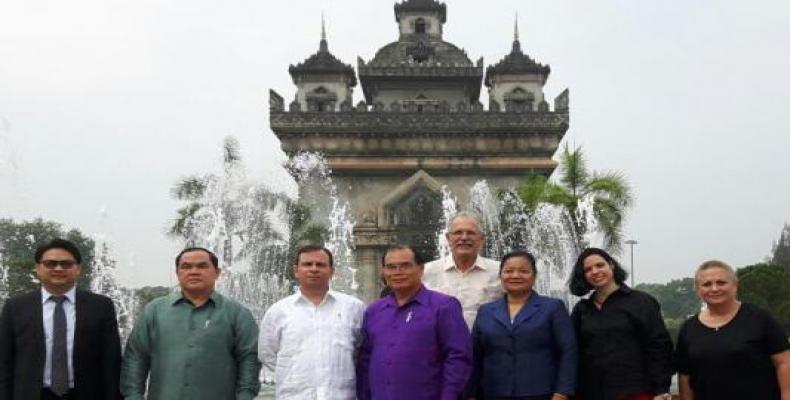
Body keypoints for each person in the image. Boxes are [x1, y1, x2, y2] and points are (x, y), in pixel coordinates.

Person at [120, 247, 261, 400]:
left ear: (217, 273)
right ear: (177, 273)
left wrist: (245, 395)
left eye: (202, 266)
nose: (194, 271)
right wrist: (133, 396)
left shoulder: (237, 314)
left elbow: (250, 359)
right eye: (186, 267)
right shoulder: (154, 311)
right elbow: (135, 358)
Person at [0, 238, 122, 400]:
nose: (58, 268)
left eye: (66, 264)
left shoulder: (100, 306)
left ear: (78, 269)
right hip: (31, 394)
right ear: (37, 268)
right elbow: (4, 363)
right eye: (50, 263)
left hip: (85, 394)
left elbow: (111, 362)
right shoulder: (16, 307)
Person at [357, 245, 472, 400]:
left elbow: (458, 358)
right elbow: (365, 361)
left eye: (405, 266)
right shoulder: (374, 311)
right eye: (391, 267)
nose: (397, 272)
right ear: (384, 272)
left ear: (421, 269)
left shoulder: (444, 306)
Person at [259, 245, 365, 400]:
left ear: (332, 271)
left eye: (321, 265)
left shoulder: (354, 308)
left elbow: (361, 351)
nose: (314, 269)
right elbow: (267, 355)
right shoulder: (278, 311)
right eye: (307, 264)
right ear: (296, 270)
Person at [468, 250, 577, 400]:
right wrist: (471, 394)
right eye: (508, 271)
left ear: (534, 276)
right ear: (501, 276)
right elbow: (475, 355)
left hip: (541, 393)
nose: (515, 275)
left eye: (523, 271)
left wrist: (562, 392)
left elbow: (568, 351)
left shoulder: (552, 307)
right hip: (493, 392)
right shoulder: (486, 311)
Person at [675, 260, 790, 400]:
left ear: (735, 285)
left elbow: (784, 362)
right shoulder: (688, 329)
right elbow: (685, 377)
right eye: (707, 284)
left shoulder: (759, 319)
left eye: (721, 282)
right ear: (698, 291)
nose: (714, 288)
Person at [569, 247, 673, 400]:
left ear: (611, 265)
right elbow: (572, 351)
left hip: (635, 392)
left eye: (600, 265)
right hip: (590, 392)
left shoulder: (641, 302)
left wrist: (661, 390)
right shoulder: (582, 310)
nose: (595, 271)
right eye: (588, 269)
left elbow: (659, 347)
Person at [424, 211, 501, 329]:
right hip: (440, 345)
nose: (464, 237)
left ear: (481, 239)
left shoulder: (499, 271)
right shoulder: (427, 271)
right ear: (448, 238)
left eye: (471, 233)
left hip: (486, 345)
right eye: (458, 232)